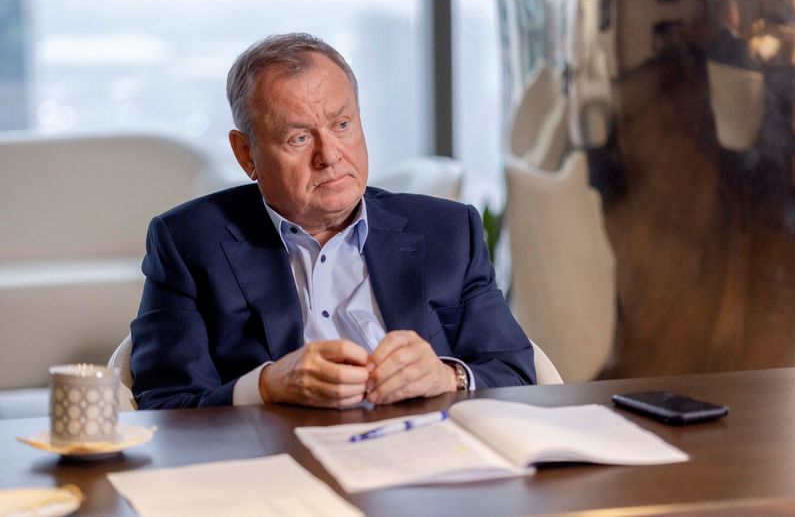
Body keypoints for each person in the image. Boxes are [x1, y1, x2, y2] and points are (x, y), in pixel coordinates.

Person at [130, 33, 536, 410]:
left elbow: (514, 371)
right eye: (299, 138)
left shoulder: (447, 230)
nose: (330, 155)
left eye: (342, 125)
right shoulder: (188, 243)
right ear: (246, 154)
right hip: (278, 469)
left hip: (428, 458)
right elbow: (166, 405)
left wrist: (448, 377)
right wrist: (267, 386)